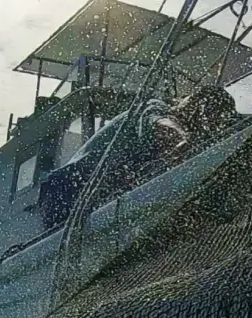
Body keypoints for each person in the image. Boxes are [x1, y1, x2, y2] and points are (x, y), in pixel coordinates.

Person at [41, 86, 240, 228]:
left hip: (95, 196)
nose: (197, 113)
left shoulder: (169, 142)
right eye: (198, 103)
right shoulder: (154, 107)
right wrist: (184, 140)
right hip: (67, 187)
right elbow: (162, 125)